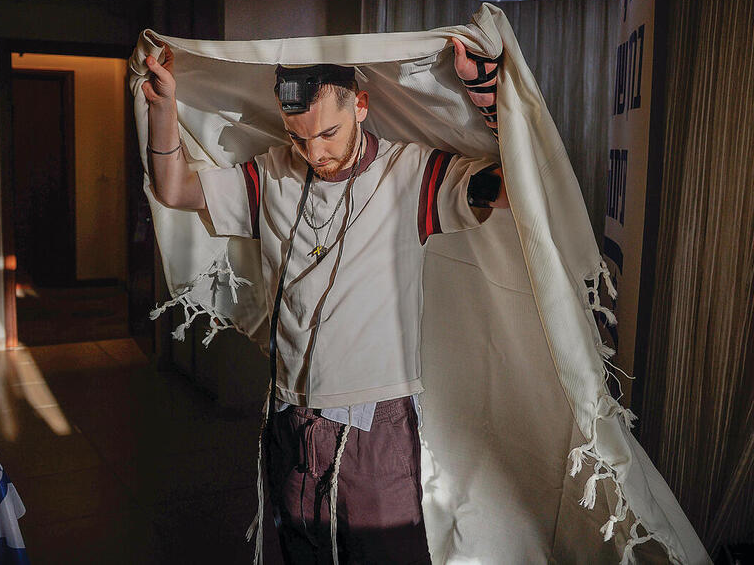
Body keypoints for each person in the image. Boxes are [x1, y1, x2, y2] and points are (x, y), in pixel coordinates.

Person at [140, 37, 508, 564]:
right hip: (290, 413)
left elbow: (512, 186)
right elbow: (174, 190)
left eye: (329, 133)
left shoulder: (409, 172)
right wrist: (163, 107)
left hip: (374, 419)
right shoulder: (270, 174)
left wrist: (488, 92)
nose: (315, 154)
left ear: (360, 104)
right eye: (298, 137)